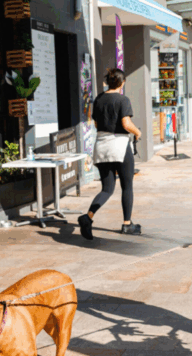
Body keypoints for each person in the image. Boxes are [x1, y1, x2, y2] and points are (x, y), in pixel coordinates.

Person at [78, 68, 142, 239]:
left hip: (101, 145)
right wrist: (137, 133)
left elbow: (97, 124)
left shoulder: (98, 99)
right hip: (120, 145)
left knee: (107, 188)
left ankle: (88, 217)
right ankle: (127, 224)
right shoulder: (123, 100)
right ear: (122, 83)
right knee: (127, 186)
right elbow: (126, 123)